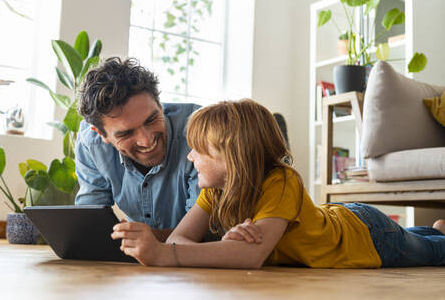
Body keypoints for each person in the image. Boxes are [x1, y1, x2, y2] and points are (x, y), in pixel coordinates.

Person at [111, 99, 445, 268]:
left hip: (366, 237)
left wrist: (164, 255)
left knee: (430, 253)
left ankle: (438, 237)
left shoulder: (281, 181)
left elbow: (249, 257)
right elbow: (183, 237)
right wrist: (227, 246)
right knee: (422, 238)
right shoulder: (214, 190)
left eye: (199, 149)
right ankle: (437, 228)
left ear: (231, 155)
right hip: (337, 217)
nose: (190, 157)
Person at [76, 57, 201, 242]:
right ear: (101, 134)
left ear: (160, 105)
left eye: (151, 120)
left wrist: (134, 238)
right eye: (125, 134)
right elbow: (90, 221)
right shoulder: (91, 142)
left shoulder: (200, 130)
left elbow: (204, 232)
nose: (146, 140)